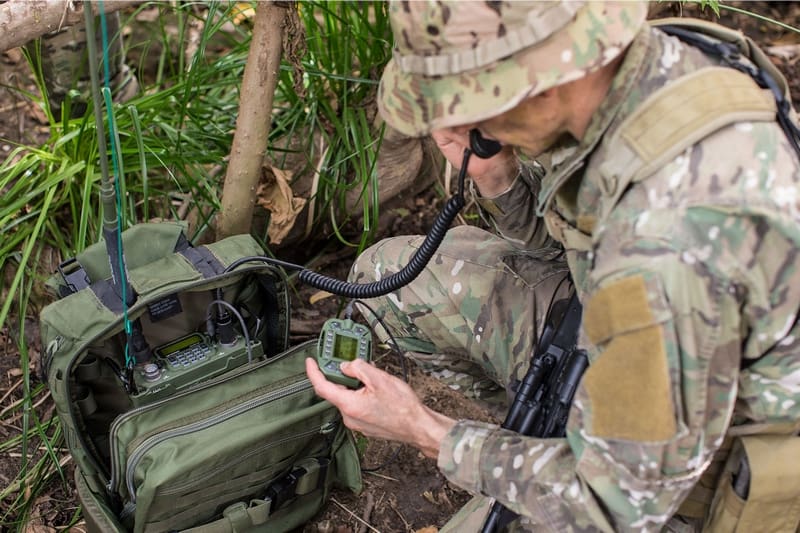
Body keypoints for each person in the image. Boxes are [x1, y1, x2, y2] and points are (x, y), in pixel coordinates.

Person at [305, 1, 800, 531]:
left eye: (470, 105)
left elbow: (612, 506)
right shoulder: (638, 72)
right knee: (398, 280)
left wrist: (426, 431)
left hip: (703, 468)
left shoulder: (668, 243)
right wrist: (498, 178)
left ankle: (552, 456)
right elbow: (581, 243)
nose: (458, 124)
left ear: (540, 86)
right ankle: (548, 444)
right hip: (653, 345)